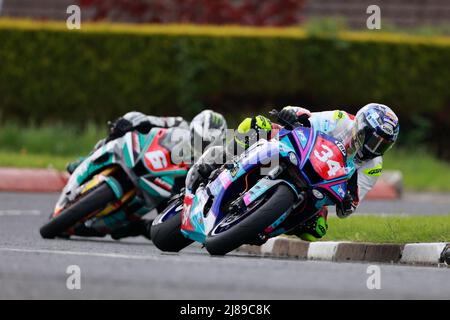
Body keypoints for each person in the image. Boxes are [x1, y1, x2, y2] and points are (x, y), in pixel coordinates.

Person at [188, 103, 399, 242]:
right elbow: (307, 119)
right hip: (299, 153)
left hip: (319, 185)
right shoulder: (341, 119)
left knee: (316, 230)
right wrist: (293, 115)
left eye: (382, 144)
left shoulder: (373, 165)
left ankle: (264, 225)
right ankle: (219, 161)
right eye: (373, 138)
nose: (374, 147)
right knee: (255, 125)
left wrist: (347, 200)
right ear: (360, 126)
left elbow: (350, 206)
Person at [67, 109, 227, 240]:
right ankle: (87, 160)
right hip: (152, 160)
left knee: (163, 228)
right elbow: (149, 119)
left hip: (170, 188)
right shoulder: (180, 124)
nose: (201, 145)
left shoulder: (215, 159)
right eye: (199, 139)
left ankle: (134, 226)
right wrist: (130, 122)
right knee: (117, 135)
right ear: (193, 128)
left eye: (206, 143)